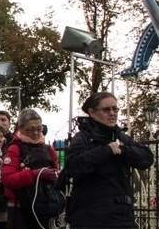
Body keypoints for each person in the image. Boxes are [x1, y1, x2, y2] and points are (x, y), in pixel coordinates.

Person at [65, 92, 154, 228]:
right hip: (91, 219)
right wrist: (106, 151)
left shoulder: (121, 137)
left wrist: (123, 151)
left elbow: (147, 158)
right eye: (106, 110)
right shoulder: (82, 138)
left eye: (115, 109)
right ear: (92, 112)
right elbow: (72, 166)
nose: (112, 113)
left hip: (122, 216)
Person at [1, 108, 60, 229]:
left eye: (39, 129)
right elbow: (7, 179)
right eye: (31, 129)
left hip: (45, 206)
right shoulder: (14, 149)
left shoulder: (49, 149)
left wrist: (57, 175)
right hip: (20, 208)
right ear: (21, 128)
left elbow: (57, 174)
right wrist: (35, 174)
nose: (36, 133)